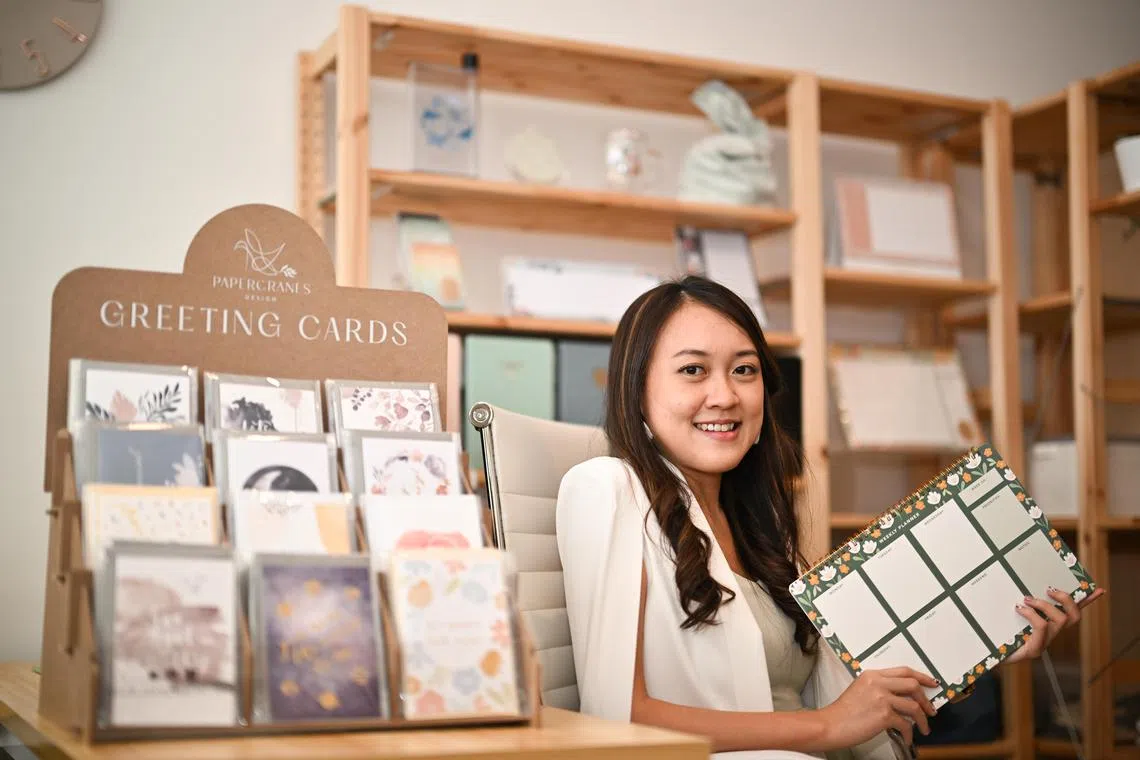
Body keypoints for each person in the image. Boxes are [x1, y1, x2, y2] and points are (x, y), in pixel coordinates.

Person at [554, 275, 1102, 760]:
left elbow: (854, 689)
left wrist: (990, 636)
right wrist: (827, 727)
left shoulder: (761, 530)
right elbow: (618, 716)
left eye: (744, 371)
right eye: (693, 370)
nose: (724, 395)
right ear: (638, 389)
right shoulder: (606, 487)